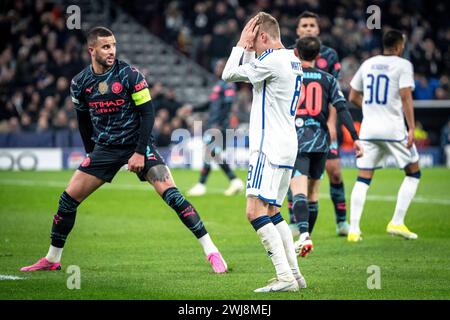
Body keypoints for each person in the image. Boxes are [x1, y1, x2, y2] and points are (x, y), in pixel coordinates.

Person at [20, 27, 228, 273]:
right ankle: (52, 259)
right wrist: (91, 154)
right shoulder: (80, 83)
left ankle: (212, 251)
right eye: (106, 46)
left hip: (137, 144)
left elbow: (147, 114)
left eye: (113, 45)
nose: (111, 51)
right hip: (105, 149)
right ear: (92, 50)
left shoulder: (130, 75)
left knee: (172, 195)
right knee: (67, 201)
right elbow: (83, 121)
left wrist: (140, 151)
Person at [222, 12, 305, 292]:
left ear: (263, 37)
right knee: (273, 211)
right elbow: (255, 78)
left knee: (254, 211)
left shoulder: (271, 60)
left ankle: (283, 277)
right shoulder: (293, 60)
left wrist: (239, 46)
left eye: (254, 41)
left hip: (267, 148)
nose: (252, 48)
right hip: (287, 144)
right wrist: (248, 50)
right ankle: (295, 275)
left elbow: (228, 74)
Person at [291, 37, 363, 257]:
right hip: (322, 142)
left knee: (298, 192)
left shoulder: (290, 77)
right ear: (318, 56)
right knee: (313, 193)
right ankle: (306, 239)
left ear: (296, 53)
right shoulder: (329, 79)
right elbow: (343, 109)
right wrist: (355, 137)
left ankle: (303, 235)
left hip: (298, 139)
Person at [348, 29, 421, 242]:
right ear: (399, 46)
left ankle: (353, 230)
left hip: (369, 130)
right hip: (393, 130)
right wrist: (411, 128)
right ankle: (396, 222)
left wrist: (369, 111)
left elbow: (352, 95)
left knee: (363, 178)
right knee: (413, 173)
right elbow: (406, 96)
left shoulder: (368, 63)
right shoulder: (404, 65)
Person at [287, 11, 350, 237]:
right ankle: (295, 221)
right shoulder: (287, 55)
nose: (308, 28)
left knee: (334, 171)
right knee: (293, 174)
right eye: (304, 25)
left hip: (323, 124)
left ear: (318, 29)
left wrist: (332, 123)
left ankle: (342, 221)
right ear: (297, 30)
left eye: (312, 25)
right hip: (296, 126)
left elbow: (334, 93)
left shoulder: (330, 56)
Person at [187, 58, 244, 197]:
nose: (217, 68)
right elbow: (209, 103)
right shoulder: (218, 85)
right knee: (214, 154)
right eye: (217, 66)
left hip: (219, 125)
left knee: (209, 152)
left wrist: (219, 124)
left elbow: (228, 106)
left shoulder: (228, 85)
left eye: (220, 66)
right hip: (214, 123)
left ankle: (201, 185)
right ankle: (234, 181)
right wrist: (192, 108)